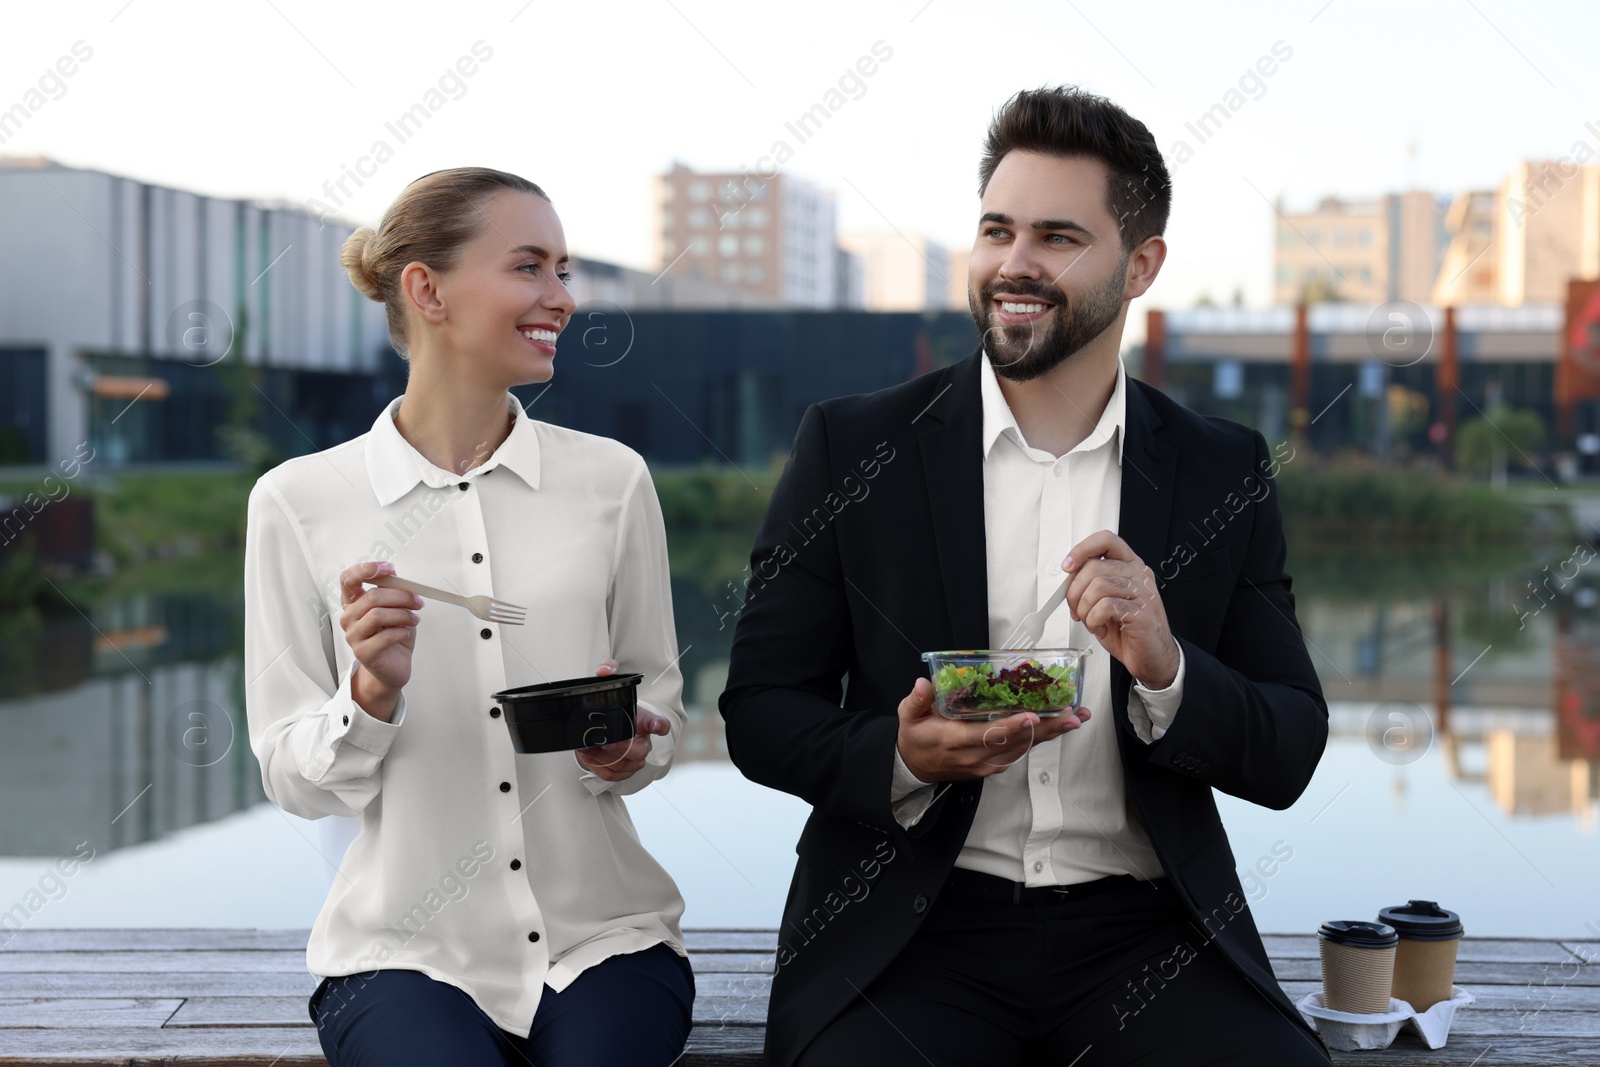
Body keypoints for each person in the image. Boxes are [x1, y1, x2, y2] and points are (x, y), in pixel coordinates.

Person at [720, 88, 1333, 1066]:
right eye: (996, 230)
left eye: (1056, 236)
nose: (1014, 263)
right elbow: (758, 709)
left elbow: (1290, 745)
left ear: (1141, 265)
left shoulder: (1223, 467)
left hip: (1147, 934)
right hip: (910, 936)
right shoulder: (853, 445)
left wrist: (1169, 665)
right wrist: (903, 755)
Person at [243, 167, 694, 1067]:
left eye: (563, 270)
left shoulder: (613, 482)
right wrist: (368, 695)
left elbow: (665, 709)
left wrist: (630, 745)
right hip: (398, 956)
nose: (562, 297)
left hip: (604, 941)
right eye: (530, 267)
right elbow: (292, 777)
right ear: (427, 289)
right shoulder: (298, 501)